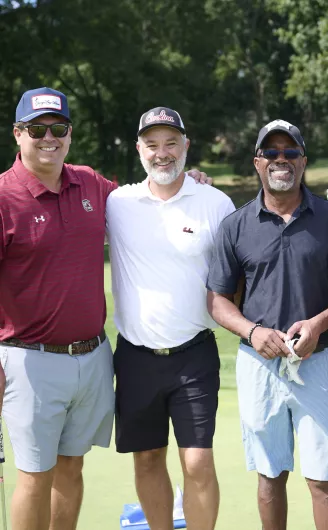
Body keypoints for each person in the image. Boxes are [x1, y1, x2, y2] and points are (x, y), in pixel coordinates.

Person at [206, 119, 328, 530]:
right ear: (257, 162)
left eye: (290, 153)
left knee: (323, 479)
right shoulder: (235, 226)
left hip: (318, 362)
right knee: (270, 476)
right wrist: (252, 331)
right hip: (258, 364)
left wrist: (320, 323)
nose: (280, 160)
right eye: (271, 153)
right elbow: (218, 301)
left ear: (303, 161)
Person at [106, 107, 235, 530]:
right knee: (146, 459)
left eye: (171, 143)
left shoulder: (215, 202)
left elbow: (239, 272)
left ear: (186, 146)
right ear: (139, 149)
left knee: (197, 461)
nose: (163, 154)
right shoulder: (117, 202)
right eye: (153, 145)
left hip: (193, 355)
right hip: (136, 356)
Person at [0, 87, 115, 530]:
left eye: (59, 128)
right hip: (29, 362)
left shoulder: (89, 182)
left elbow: (147, 200)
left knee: (71, 467)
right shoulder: (5, 198)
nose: (49, 137)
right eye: (37, 129)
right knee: (34, 477)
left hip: (92, 356)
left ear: (69, 133)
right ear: (18, 133)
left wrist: (191, 178)